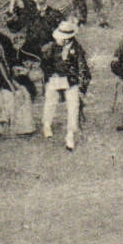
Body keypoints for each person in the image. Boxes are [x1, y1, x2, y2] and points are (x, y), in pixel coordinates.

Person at [40, 20, 92, 149]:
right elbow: (45, 65)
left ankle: (70, 133)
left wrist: (81, 89)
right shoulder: (52, 47)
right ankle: (47, 124)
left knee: (73, 104)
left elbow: (83, 70)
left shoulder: (77, 49)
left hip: (71, 80)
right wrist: (51, 75)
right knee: (51, 98)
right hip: (55, 78)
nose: (61, 40)